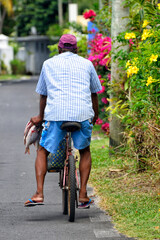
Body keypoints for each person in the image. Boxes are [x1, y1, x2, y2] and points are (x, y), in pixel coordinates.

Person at [24, 34, 102, 207]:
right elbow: (94, 93)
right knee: (84, 151)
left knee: (43, 151)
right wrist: (94, 116)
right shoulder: (87, 64)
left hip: (56, 115)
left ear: (59, 49)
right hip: (82, 115)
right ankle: (82, 195)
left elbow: (43, 95)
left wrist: (40, 117)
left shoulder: (48, 64)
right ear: (76, 50)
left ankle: (39, 193)